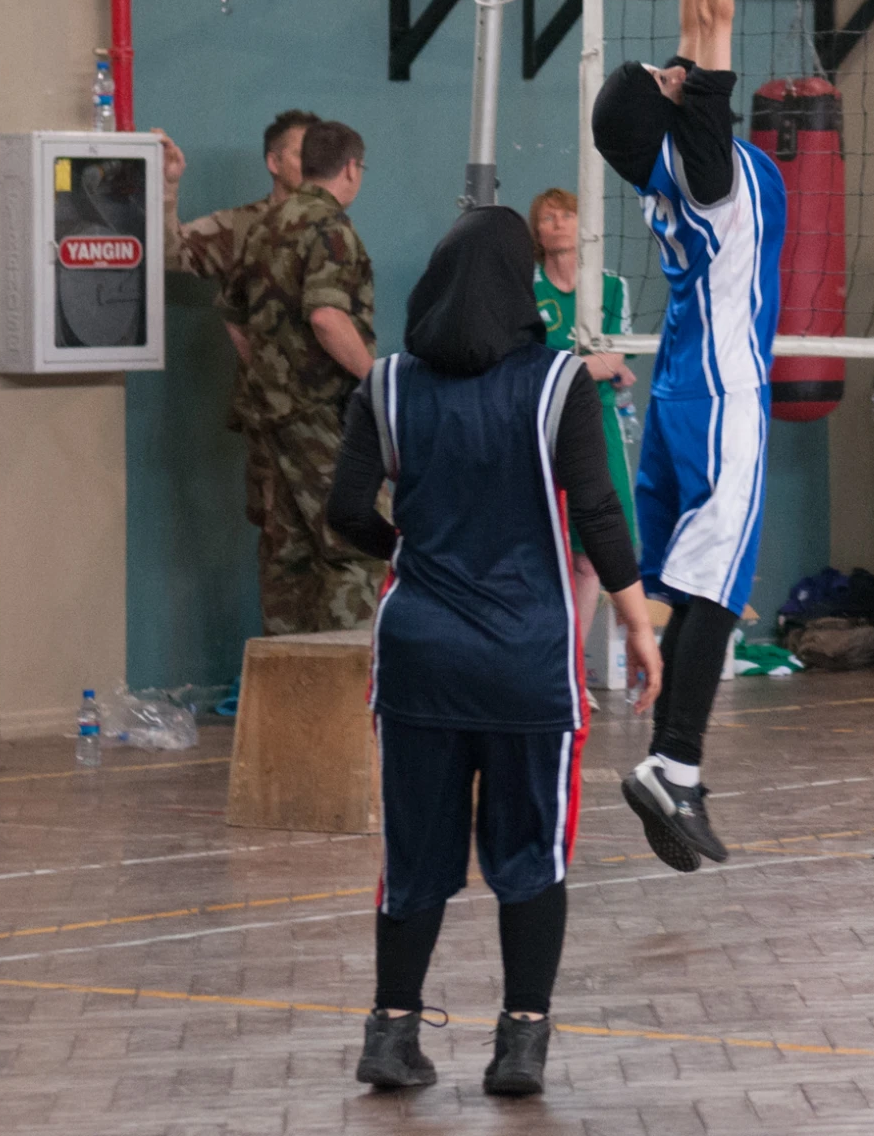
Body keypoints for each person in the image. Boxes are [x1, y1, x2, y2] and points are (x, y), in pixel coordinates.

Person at [327, 207, 665, 1097]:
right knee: (531, 855)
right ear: (520, 288)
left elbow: (345, 509)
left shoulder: (388, 383)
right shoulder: (557, 384)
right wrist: (634, 621)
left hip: (418, 658)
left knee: (414, 855)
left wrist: (402, 552)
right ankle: (520, 1041)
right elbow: (596, 511)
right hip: (527, 662)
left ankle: (390, 1034)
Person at [592, 0, 784, 872]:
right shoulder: (706, 169)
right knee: (719, 573)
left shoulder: (667, 164)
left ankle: (670, 746)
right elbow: (710, 22)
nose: (680, 70)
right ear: (671, 111)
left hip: (678, 385)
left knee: (698, 576)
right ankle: (675, 762)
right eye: (669, 83)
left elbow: (690, 31)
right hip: (721, 388)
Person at [230, 119, 384, 634]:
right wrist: (376, 379)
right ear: (350, 168)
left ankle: (286, 705)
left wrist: (272, 372)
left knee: (286, 558)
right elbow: (326, 317)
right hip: (322, 418)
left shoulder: (265, 225)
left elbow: (233, 315)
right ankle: (343, 702)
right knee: (357, 547)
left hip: (266, 418)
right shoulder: (331, 228)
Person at [156, 110, 320, 559]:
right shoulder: (242, 226)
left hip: (328, 411)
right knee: (280, 538)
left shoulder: (332, 228)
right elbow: (174, 255)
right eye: (300, 153)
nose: (311, 163)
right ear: (273, 161)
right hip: (271, 409)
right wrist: (168, 188)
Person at [528, 187, 639, 672]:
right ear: (537, 232)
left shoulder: (611, 287)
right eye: (547, 218)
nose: (558, 223)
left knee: (591, 558)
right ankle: (538, 664)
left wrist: (567, 366)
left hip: (596, 426)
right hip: (538, 428)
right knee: (539, 553)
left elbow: (615, 358)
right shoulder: (527, 291)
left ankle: (570, 670)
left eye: (566, 215)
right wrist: (585, 366)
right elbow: (527, 367)